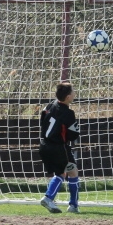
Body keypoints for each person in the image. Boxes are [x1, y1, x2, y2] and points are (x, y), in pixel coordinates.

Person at [39, 82, 81, 214]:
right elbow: (74, 134)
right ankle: (49, 198)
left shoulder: (51, 104)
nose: (75, 93)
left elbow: (42, 117)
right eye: (73, 91)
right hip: (58, 147)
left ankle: (73, 205)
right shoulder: (68, 113)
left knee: (71, 171)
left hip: (45, 144)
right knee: (64, 172)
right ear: (68, 97)